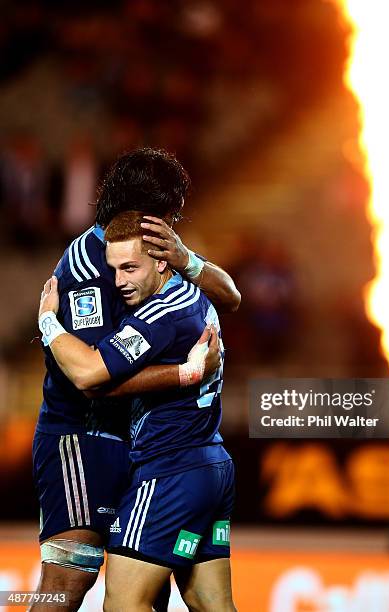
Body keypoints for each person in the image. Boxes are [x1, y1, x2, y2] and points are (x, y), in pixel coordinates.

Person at [31, 148, 240, 612]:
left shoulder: (158, 253)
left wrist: (187, 258)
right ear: (149, 215)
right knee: (69, 579)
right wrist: (186, 373)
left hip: (144, 443)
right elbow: (89, 378)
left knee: (149, 588)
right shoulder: (91, 268)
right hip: (82, 434)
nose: (175, 225)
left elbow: (231, 295)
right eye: (171, 216)